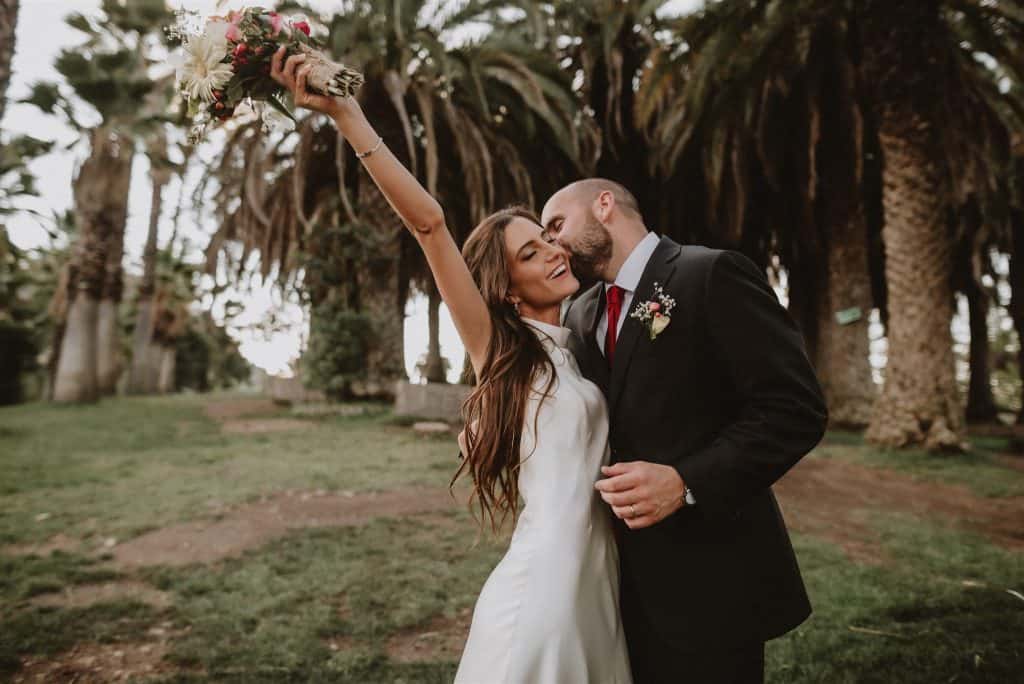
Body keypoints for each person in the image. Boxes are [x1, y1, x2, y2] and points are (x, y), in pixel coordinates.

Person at [271, 50, 633, 682]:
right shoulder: (499, 347)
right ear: (510, 291)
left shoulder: (577, 348)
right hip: (545, 593)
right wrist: (348, 114)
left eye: (547, 238)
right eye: (530, 252)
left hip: (599, 583)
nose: (552, 250)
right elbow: (431, 226)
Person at [541, 179, 829, 684]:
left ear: (604, 204)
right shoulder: (582, 313)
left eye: (556, 224)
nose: (551, 244)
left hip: (714, 580)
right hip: (616, 588)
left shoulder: (710, 274)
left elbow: (794, 407)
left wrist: (686, 481)